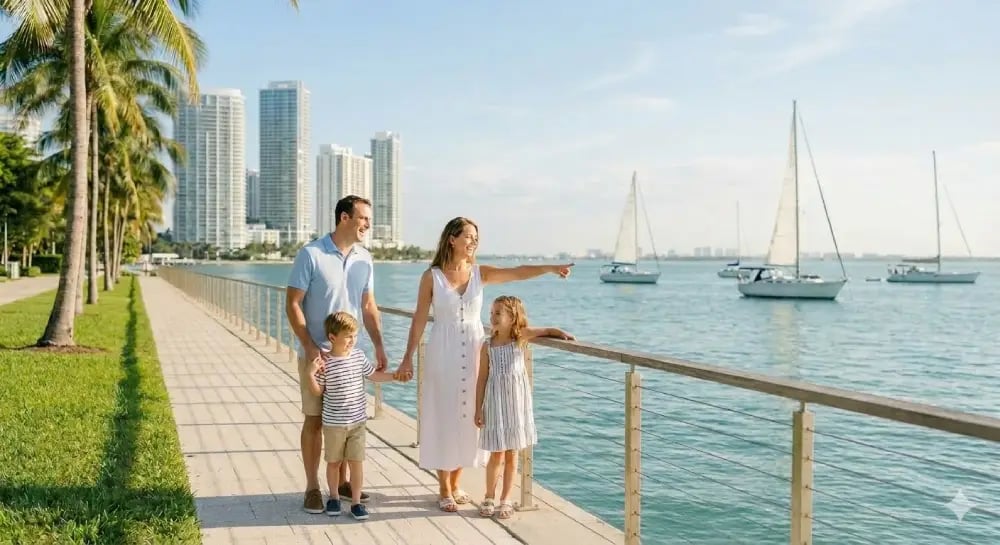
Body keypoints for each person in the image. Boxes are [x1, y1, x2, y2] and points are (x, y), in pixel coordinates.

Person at [394, 216, 573, 512]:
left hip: (475, 350)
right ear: (452, 239)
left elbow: (517, 273)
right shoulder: (432, 277)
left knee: (469, 419)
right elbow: (417, 321)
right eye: (469, 236)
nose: (474, 242)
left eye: (477, 238)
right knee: (444, 416)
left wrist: (551, 269)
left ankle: (457, 480)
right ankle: (444, 487)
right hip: (443, 351)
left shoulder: (480, 273)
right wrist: (407, 358)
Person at [286, 195, 389, 514]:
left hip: (349, 357)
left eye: (369, 219)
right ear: (344, 217)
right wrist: (309, 345)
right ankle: (312, 488)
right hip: (317, 355)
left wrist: (379, 345)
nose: (368, 225)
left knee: (346, 418)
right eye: (363, 218)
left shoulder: (365, 258)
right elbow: (293, 303)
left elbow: (368, 306)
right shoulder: (311, 254)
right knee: (316, 421)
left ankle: (343, 484)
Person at [474, 295, 572, 519]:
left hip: (516, 404)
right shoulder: (487, 345)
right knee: (496, 453)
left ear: (512, 317)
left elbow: (547, 330)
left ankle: (506, 499)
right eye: (491, 313)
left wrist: (562, 334)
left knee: (512, 454)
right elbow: (481, 379)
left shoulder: (520, 337)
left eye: (498, 313)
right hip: (496, 403)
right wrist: (478, 409)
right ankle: (489, 496)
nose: (493, 317)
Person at [305, 311, 398, 520]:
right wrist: (310, 373)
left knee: (356, 462)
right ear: (332, 338)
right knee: (334, 463)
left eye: (355, 336)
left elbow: (373, 375)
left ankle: (356, 502)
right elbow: (318, 392)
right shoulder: (324, 362)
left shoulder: (358, 356)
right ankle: (334, 497)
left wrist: (395, 376)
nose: (352, 341)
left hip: (357, 423)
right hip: (334, 425)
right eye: (348, 336)